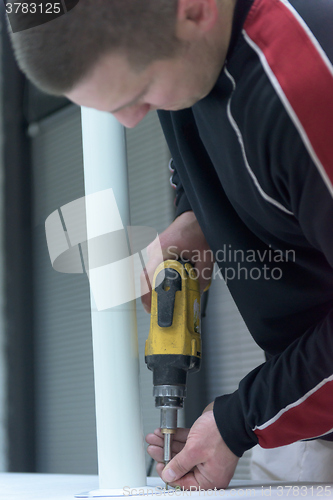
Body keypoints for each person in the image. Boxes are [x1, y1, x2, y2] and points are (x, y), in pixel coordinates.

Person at [7, 0, 333, 489]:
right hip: (308, 416)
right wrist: (193, 218)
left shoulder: (306, 83)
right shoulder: (188, 60)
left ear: (195, 10)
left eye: (139, 93)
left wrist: (237, 420)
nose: (132, 120)